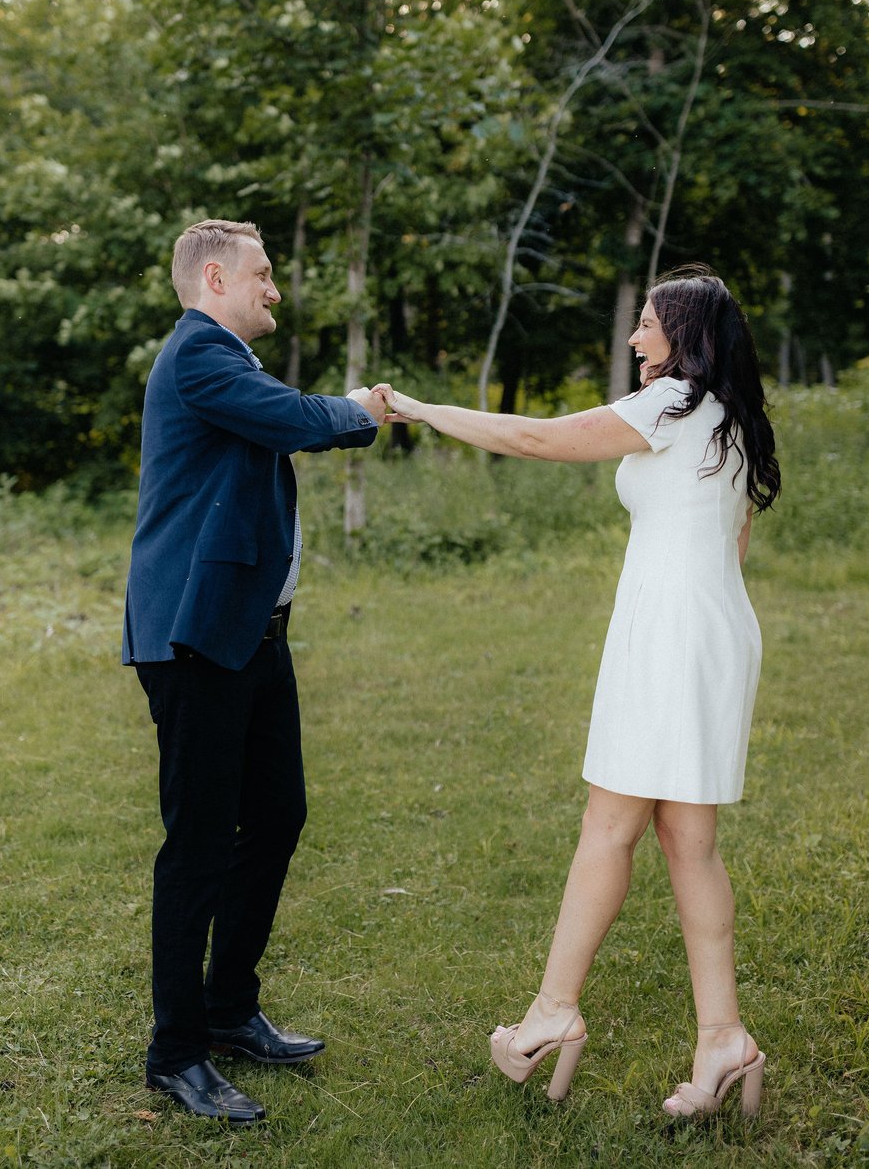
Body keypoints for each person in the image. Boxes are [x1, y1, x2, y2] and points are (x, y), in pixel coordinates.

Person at [374, 265, 780, 1119]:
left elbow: (535, 439)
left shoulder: (672, 406)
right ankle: (723, 1040)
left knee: (609, 825)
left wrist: (418, 409)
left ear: (688, 335)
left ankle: (552, 1016)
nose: (636, 339)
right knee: (686, 840)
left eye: (648, 324)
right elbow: (731, 545)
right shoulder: (731, 420)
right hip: (710, 633)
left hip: (670, 640)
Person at [123, 218, 385, 1124]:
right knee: (197, 844)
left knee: (277, 814)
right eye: (263, 275)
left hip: (251, 633)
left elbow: (277, 419)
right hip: (195, 639)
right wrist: (362, 409)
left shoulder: (230, 363)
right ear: (214, 277)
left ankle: (231, 1009)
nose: (275, 289)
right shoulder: (199, 355)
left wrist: (340, 407)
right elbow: (296, 421)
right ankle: (176, 1052)